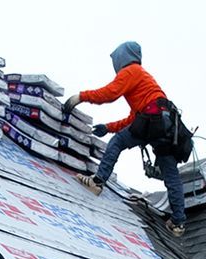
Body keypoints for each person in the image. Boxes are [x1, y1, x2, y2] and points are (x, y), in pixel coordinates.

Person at [73, 40, 188, 235]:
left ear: (121, 58)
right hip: (166, 124)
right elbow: (133, 119)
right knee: (170, 174)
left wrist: (80, 97)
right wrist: (108, 127)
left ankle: (97, 182)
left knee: (117, 142)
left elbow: (109, 93)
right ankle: (178, 223)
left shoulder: (131, 70)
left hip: (151, 121)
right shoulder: (145, 81)